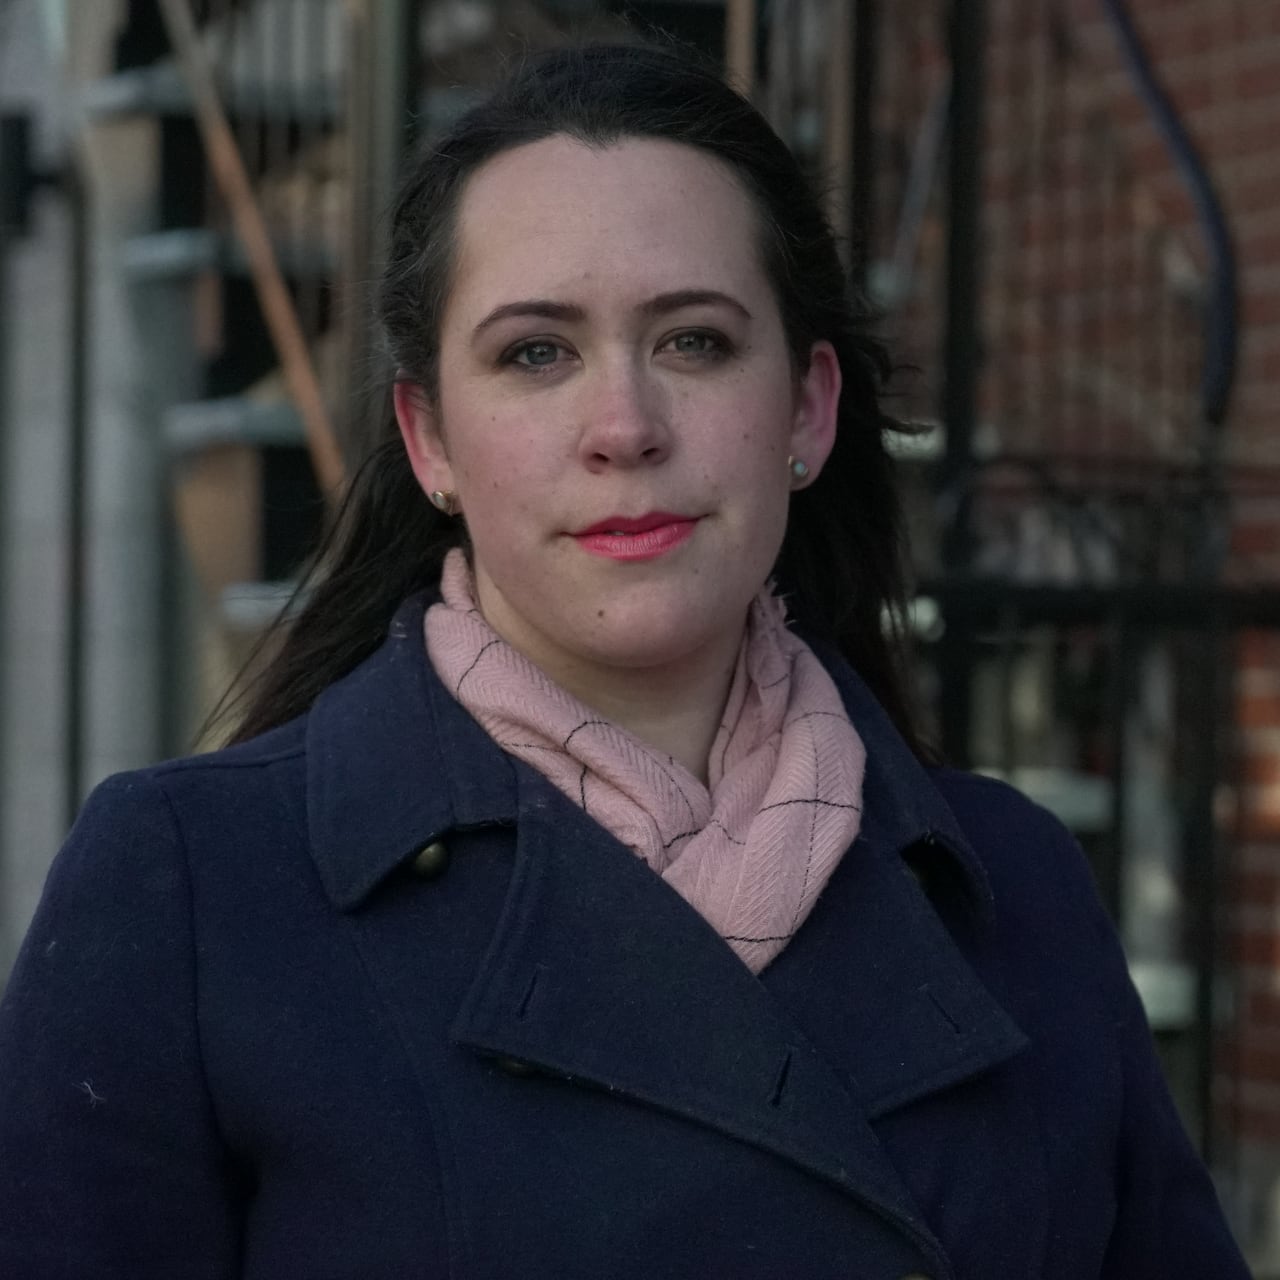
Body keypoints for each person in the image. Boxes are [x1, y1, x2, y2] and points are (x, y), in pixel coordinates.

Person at [0, 40, 1251, 1280]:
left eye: (694, 341)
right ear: (429, 439)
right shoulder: (193, 888)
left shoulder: (1015, 881)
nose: (624, 428)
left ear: (807, 408)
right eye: (535, 352)